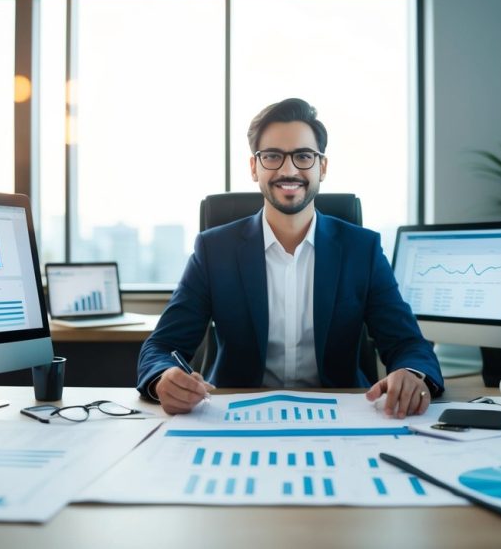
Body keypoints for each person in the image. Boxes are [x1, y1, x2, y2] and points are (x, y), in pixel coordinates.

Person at [136, 98, 443, 415]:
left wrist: (412, 374)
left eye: (303, 156)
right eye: (272, 156)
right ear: (254, 167)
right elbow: (160, 347)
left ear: (321, 167)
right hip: (233, 414)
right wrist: (163, 378)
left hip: (342, 414)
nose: (288, 170)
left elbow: (409, 344)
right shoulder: (214, 250)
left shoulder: (361, 250)